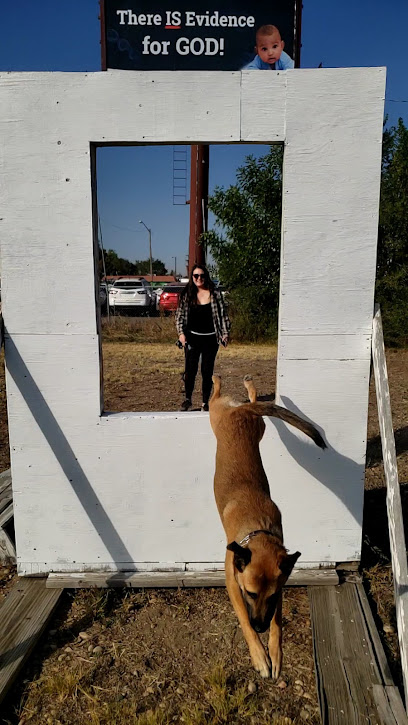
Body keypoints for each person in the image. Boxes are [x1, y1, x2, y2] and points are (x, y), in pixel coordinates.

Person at [176, 264, 230, 411]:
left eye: (202, 276)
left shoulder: (215, 294)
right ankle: (187, 399)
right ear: (192, 278)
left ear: (206, 277)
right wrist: (181, 334)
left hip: (211, 339)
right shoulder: (187, 295)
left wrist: (225, 334)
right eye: (196, 276)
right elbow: (179, 317)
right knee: (190, 370)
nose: (199, 278)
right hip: (192, 338)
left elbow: (223, 316)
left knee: (207, 371)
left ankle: (205, 402)